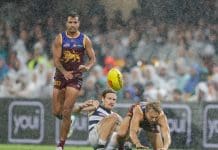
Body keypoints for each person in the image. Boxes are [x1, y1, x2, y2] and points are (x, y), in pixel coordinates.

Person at [52, 11, 96, 150]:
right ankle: (72, 116)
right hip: (60, 76)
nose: (72, 25)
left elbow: (92, 59)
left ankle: (61, 145)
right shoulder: (60, 38)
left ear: (79, 23)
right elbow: (56, 60)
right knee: (56, 112)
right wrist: (64, 72)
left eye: (75, 22)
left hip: (75, 78)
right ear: (66, 23)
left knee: (66, 110)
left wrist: (87, 67)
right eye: (70, 22)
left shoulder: (84, 39)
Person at [106, 101, 171, 150]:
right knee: (121, 134)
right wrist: (137, 144)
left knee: (159, 148)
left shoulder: (161, 116)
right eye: (152, 117)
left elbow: (166, 134)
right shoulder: (138, 111)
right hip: (133, 115)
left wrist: (165, 147)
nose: (154, 120)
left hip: (147, 121)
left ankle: (127, 143)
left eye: (156, 117)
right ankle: (118, 145)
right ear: (146, 112)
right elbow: (133, 132)